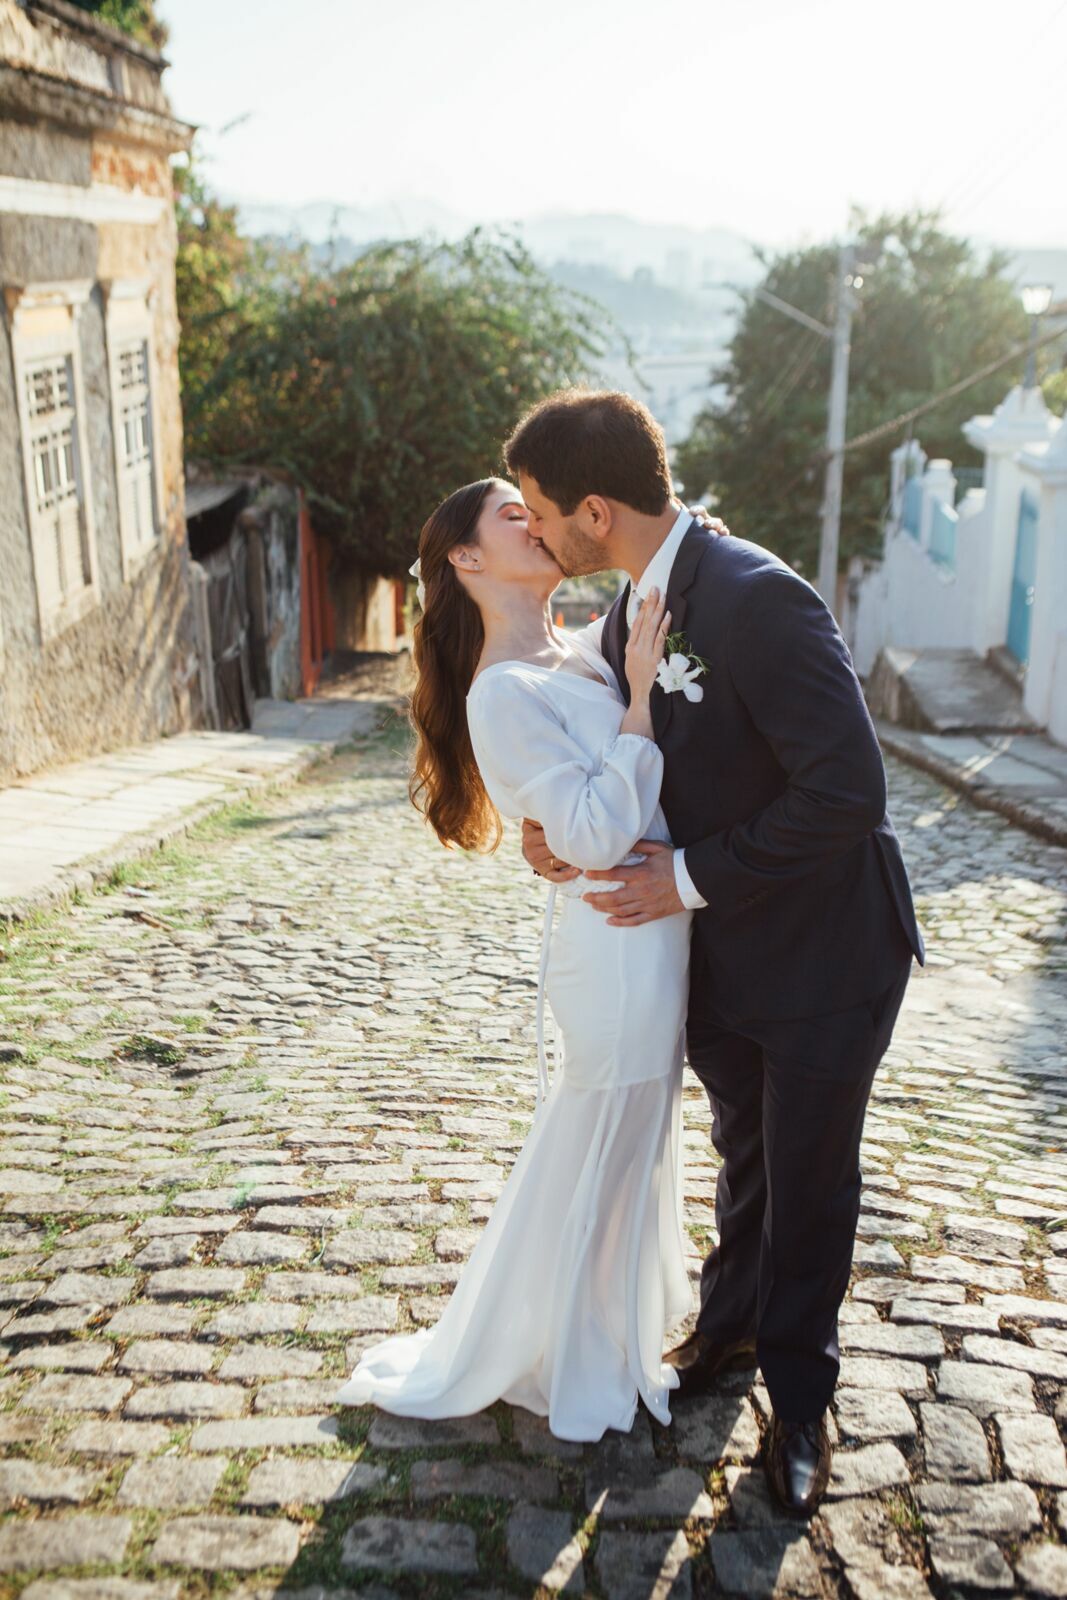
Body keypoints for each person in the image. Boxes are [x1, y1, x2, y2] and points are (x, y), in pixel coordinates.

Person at [508, 389, 924, 1513]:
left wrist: (680, 878)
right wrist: (564, 836)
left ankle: (798, 1403)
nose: (534, 531)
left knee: (807, 1177)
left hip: (828, 954)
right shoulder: (622, 614)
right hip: (721, 959)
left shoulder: (756, 599)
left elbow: (846, 790)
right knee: (745, 1154)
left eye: (542, 513)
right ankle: (729, 1324)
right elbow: (631, 760)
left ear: (596, 510)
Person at [336, 476, 702, 1442]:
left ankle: (603, 1334)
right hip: (614, 943)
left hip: (654, 932)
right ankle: (569, 1351)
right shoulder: (498, 694)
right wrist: (635, 717)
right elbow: (585, 832)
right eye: (513, 516)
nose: (535, 526)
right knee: (601, 1134)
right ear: (465, 559)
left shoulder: (576, 649)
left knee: (635, 1136)